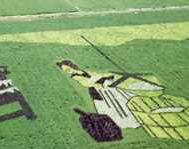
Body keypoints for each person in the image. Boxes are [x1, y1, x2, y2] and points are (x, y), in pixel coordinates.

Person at [57, 60, 189, 140]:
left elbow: (105, 78)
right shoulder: (78, 77)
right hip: (105, 96)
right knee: (123, 113)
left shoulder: (87, 73)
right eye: (67, 70)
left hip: (112, 93)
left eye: (69, 68)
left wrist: (102, 81)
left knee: (128, 110)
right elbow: (91, 84)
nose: (69, 71)